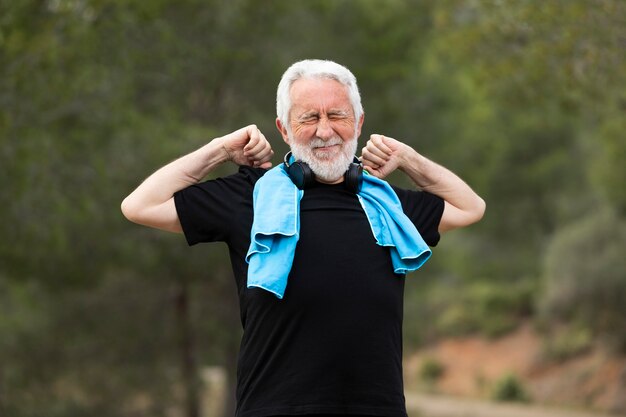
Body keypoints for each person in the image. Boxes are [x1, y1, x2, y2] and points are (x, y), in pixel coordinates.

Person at [121, 59, 485, 417]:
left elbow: (470, 207)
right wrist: (218, 150)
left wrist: (407, 159)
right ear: (284, 129)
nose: (324, 131)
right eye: (309, 117)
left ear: (358, 123)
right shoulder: (251, 194)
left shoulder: (386, 204)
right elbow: (140, 205)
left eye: (337, 116)